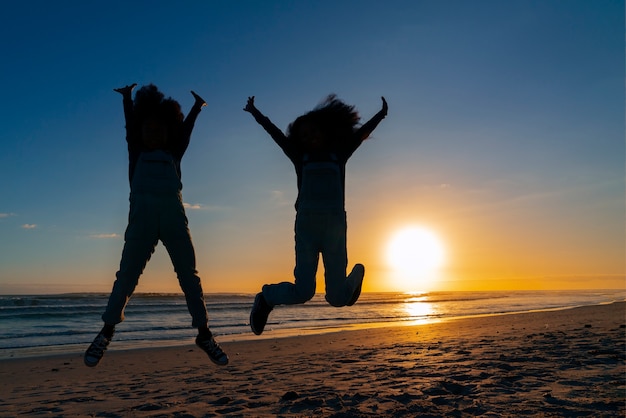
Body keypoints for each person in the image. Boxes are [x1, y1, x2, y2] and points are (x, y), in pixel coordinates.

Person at [84, 84, 228, 367]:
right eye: (147, 128)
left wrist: (197, 109)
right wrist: (127, 99)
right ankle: (107, 332)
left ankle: (204, 334)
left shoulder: (174, 154)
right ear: (140, 130)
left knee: (190, 278)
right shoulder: (136, 153)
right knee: (126, 277)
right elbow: (129, 128)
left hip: (174, 220)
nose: (152, 133)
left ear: (168, 132)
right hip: (142, 223)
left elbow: (185, 134)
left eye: (159, 129)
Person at [244, 94, 388, 335]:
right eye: (304, 136)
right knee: (303, 292)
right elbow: (276, 135)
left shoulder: (339, 155)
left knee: (338, 298)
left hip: (334, 229)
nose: (310, 138)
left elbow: (359, 136)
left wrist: (381, 115)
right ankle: (265, 298)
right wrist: (256, 113)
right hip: (307, 229)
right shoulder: (300, 158)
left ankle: (356, 275)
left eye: (314, 132)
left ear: (324, 132)